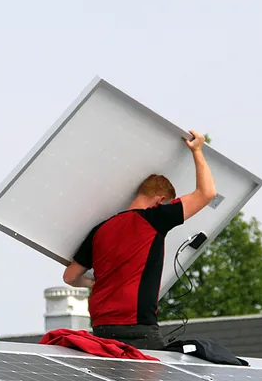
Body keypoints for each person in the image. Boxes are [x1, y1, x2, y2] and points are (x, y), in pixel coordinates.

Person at [61, 130, 216, 350]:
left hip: (102, 330)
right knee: (162, 370)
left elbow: (70, 277)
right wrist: (197, 150)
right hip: (137, 328)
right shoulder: (154, 218)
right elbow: (207, 193)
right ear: (160, 200)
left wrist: (93, 283)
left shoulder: (100, 229)